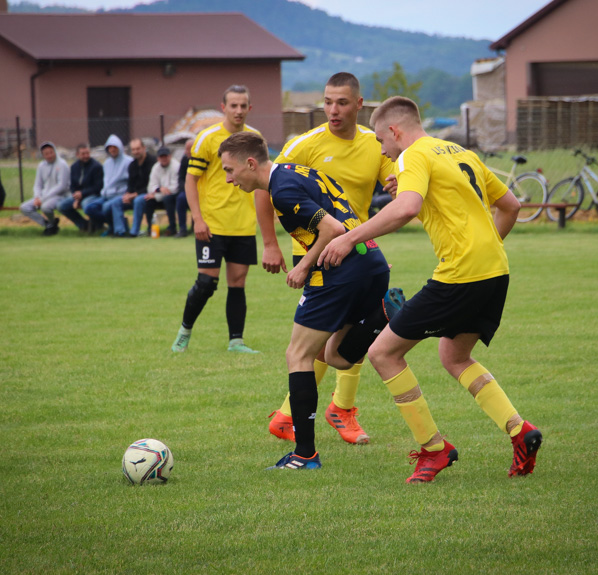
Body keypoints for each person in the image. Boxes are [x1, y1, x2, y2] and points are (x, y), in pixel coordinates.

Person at [319, 96, 542, 483]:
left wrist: (346, 239)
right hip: (495, 271)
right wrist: (484, 251)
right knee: (455, 356)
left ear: (394, 130)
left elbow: (405, 209)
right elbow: (511, 206)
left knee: (383, 353)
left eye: (381, 141)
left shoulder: (412, 155)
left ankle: (433, 449)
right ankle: (520, 431)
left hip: (460, 274)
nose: (382, 150)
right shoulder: (460, 152)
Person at [218, 130, 404, 470]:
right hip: (371, 262)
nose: (229, 179)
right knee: (336, 357)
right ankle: (385, 316)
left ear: (249, 163)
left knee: (298, 354)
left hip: (339, 271)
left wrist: (303, 265)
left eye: (230, 170)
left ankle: (305, 454)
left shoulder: (284, 189)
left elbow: (332, 229)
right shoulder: (298, 172)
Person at [267, 72, 397, 446]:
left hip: (357, 247)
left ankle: (305, 412)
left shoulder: (375, 145)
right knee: (336, 335)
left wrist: (397, 184)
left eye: (341, 102)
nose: (333, 110)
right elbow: (266, 187)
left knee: (345, 332)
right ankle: (331, 410)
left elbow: (396, 180)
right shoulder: (303, 144)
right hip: (314, 250)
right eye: (327, 102)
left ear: (359, 104)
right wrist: (269, 243)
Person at [171, 85, 279, 353]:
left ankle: (236, 341)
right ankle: (184, 332)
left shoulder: (256, 139)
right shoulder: (207, 138)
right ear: (223, 108)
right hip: (212, 224)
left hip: (243, 225)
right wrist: (197, 219)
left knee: (238, 283)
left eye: (243, 106)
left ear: (250, 108)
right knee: (206, 283)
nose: (239, 110)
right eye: (233, 105)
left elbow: (265, 179)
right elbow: (190, 180)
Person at [20, 141, 70, 236]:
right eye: (46, 154)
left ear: (55, 151)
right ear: (43, 155)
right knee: (24, 207)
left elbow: (61, 186)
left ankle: (51, 224)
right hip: (43, 196)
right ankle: (49, 224)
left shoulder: (62, 164)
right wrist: (37, 197)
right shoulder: (41, 166)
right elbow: (38, 184)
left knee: (45, 207)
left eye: (51, 152)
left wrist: (42, 199)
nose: (49, 155)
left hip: (59, 196)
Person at [85, 134, 131, 236]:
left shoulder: (128, 162)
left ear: (119, 147)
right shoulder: (107, 163)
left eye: (115, 147)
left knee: (107, 207)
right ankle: (115, 225)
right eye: (110, 147)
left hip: (120, 195)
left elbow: (131, 181)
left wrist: (128, 193)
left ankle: (119, 231)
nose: (112, 150)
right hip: (106, 195)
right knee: (89, 208)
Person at [58, 143, 104, 233]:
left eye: (87, 153)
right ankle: (83, 225)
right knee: (62, 205)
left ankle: (98, 225)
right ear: (77, 155)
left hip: (93, 195)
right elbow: (73, 185)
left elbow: (98, 187)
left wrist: (82, 194)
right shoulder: (74, 167)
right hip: (79, 196)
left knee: (86, 204)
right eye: (83, 154)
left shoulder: (96, 166)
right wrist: (76, 197)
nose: (86, 156)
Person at [118, 138, 155, 237]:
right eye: (133, 149)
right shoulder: (132, 165)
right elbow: (130, 184)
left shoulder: (152, 162)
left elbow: (151, 185)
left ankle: (134, 232)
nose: (135, 152)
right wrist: (127, 195)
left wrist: (134, 195)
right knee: (114, 203)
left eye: (138, 149)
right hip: (134, 195)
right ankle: (119, 231)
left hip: (149, 194)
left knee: (138, 200)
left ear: (144, 148)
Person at [142, 146, 180, 236]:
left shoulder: (176, 166)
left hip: (174, 196)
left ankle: (172, 228)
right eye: (161, 157)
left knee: (168, 199)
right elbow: (151, 187)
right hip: (160, 195)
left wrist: (156, 194)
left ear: (170, 156)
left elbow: (174, 188)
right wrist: (159, 189)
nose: (163, 159)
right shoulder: (155, 167)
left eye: (165, 156)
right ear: (158, 158)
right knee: (148, 200)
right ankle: (150, 228)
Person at [175, 139, 194, 237]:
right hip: (187, 189)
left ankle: (195, 227)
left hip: (201, 189)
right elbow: (181, 178)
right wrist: (187, 188)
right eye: (186, 149)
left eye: (189, 150)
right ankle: (182, 229)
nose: (186, 152)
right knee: (181, 199)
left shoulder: (202, 159)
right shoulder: (184, 159)